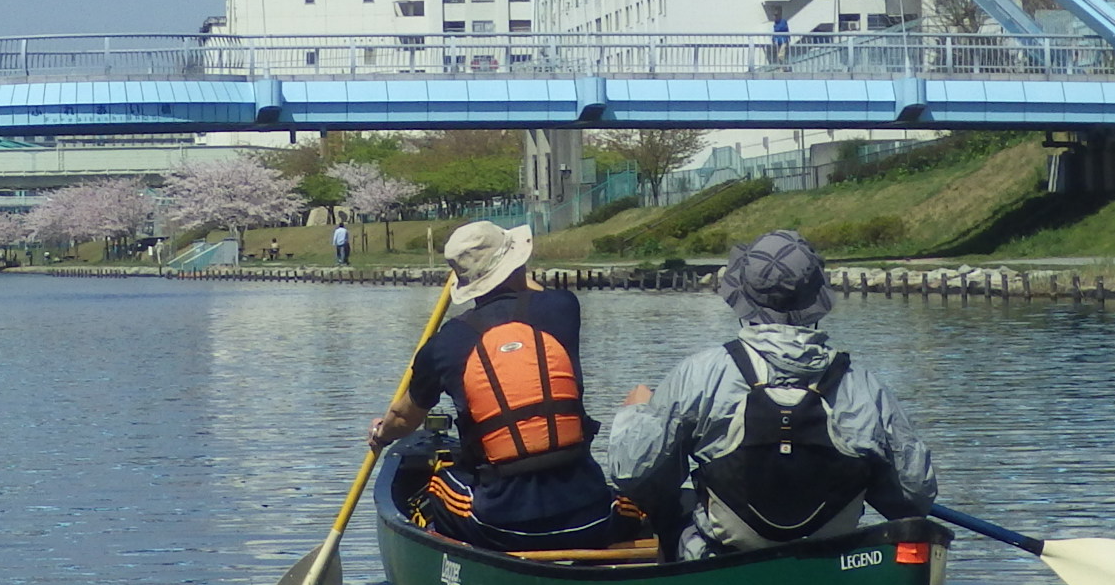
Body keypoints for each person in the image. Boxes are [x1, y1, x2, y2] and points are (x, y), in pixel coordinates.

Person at [600, 230, 936, 560]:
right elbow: (914, 497)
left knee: (675, 506)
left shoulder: (700, 374)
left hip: (720, 558)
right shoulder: (864, 387)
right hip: (833, 561)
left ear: (743, 296)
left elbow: (633, 476)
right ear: (816, 299)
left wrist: (638, 415)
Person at [368, 221, 635, 553]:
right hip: (589, 514)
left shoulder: (443, 346)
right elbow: (532, 293)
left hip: (500, 525)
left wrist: (382, 434)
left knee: (434, 488)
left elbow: (403, 418)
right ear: (517, 265)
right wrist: (512, 260)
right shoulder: (564, 308)